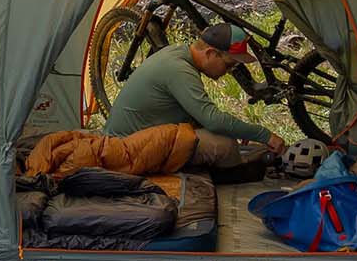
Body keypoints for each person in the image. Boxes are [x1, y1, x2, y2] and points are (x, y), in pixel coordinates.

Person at [102, 21, 285, 165]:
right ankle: (239, 172)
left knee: (221, 136)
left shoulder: (177, 54)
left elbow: (195, 115)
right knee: (223, 146)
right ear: (211, 53)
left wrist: (241, 132)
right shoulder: (179, 69)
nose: (229, 71)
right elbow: (212, 120)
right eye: (228, 65)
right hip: (126, 149)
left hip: (130, 139)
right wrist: (264, 135)